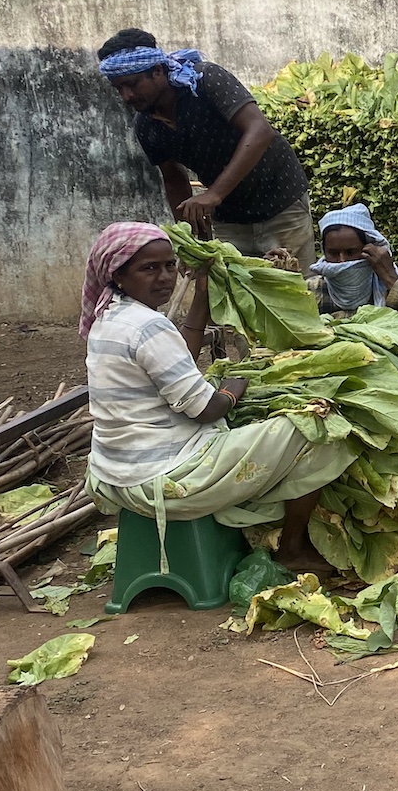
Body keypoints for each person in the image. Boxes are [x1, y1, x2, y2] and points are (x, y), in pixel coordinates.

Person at [81, 222, 354, 569]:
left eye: (169, 266)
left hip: (117, 472)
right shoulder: (147, 326)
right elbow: (207, 409)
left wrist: (202, 296)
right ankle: (292, 548)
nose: (164, 277)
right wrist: (233, 388)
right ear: (117, 275)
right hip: (165, 478)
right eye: (149, 268)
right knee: (321, 428)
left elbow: (176, 356)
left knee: (264, 428)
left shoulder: (111, 316)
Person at [97, 29, 316, 267]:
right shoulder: (146, 125)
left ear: (157, 71)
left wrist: (214, 194)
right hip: (229, 217)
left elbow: (260, 131)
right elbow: (174, 179)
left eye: (132, 84)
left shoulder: (205, 80)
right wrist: (190, 240)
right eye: (118, 89)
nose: (127, 96)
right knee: (234, 287)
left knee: (294, 283)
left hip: (281, 203)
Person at [308, 203, 398, 335]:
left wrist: (390, 278)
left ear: (368, 250)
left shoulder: (387, 287)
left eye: (351, 252)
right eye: (333, 253)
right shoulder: (313, 290)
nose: (342, 260)